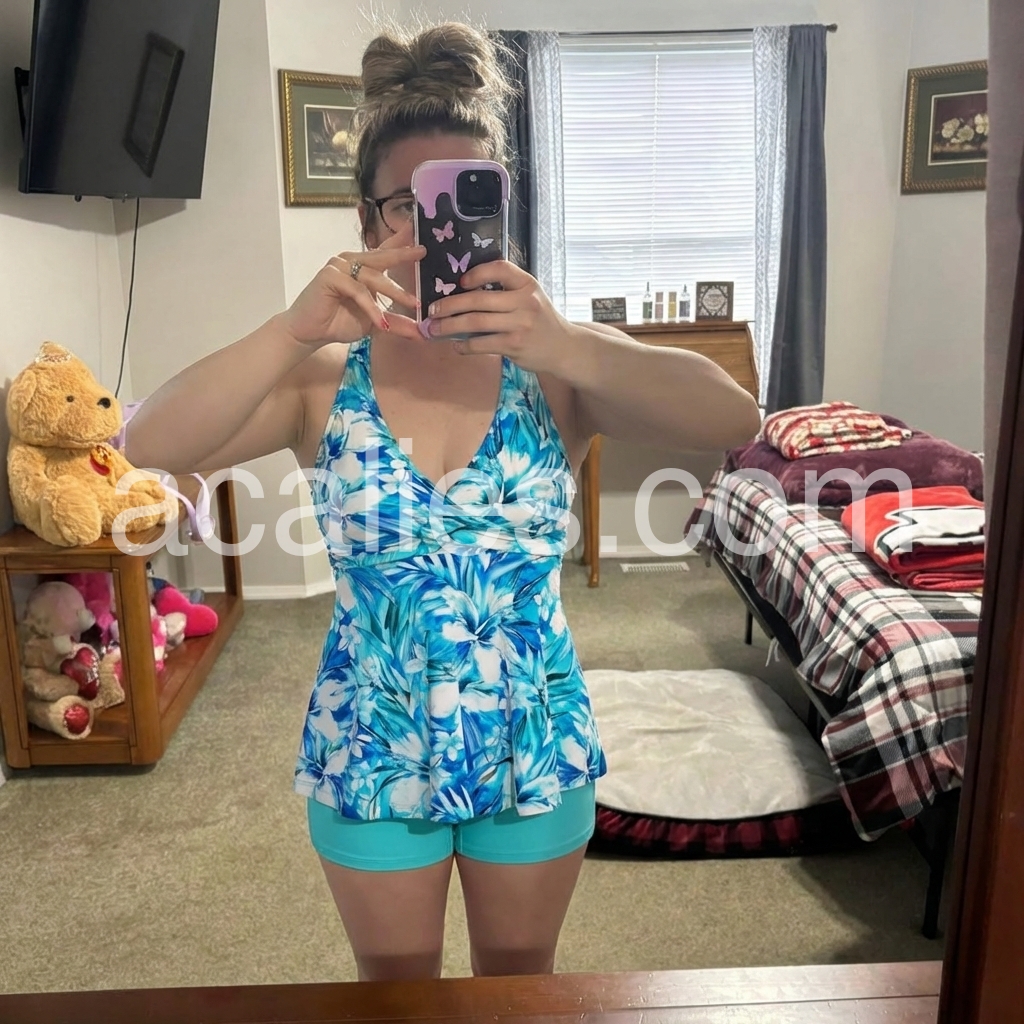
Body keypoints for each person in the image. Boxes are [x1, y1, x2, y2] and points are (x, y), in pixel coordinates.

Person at [126, 22, 761, 982]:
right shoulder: (321, 383)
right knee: (395, 998)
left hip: (532, 738)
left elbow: (734, 414)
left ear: (499, 209)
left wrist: (567, 342)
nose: (433, 230)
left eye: (467, 198)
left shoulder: (556, 372)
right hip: (370, 740)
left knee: (519, 986)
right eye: (407, 205)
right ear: (367, 221)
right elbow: (147, 444)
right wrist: (291, 331)